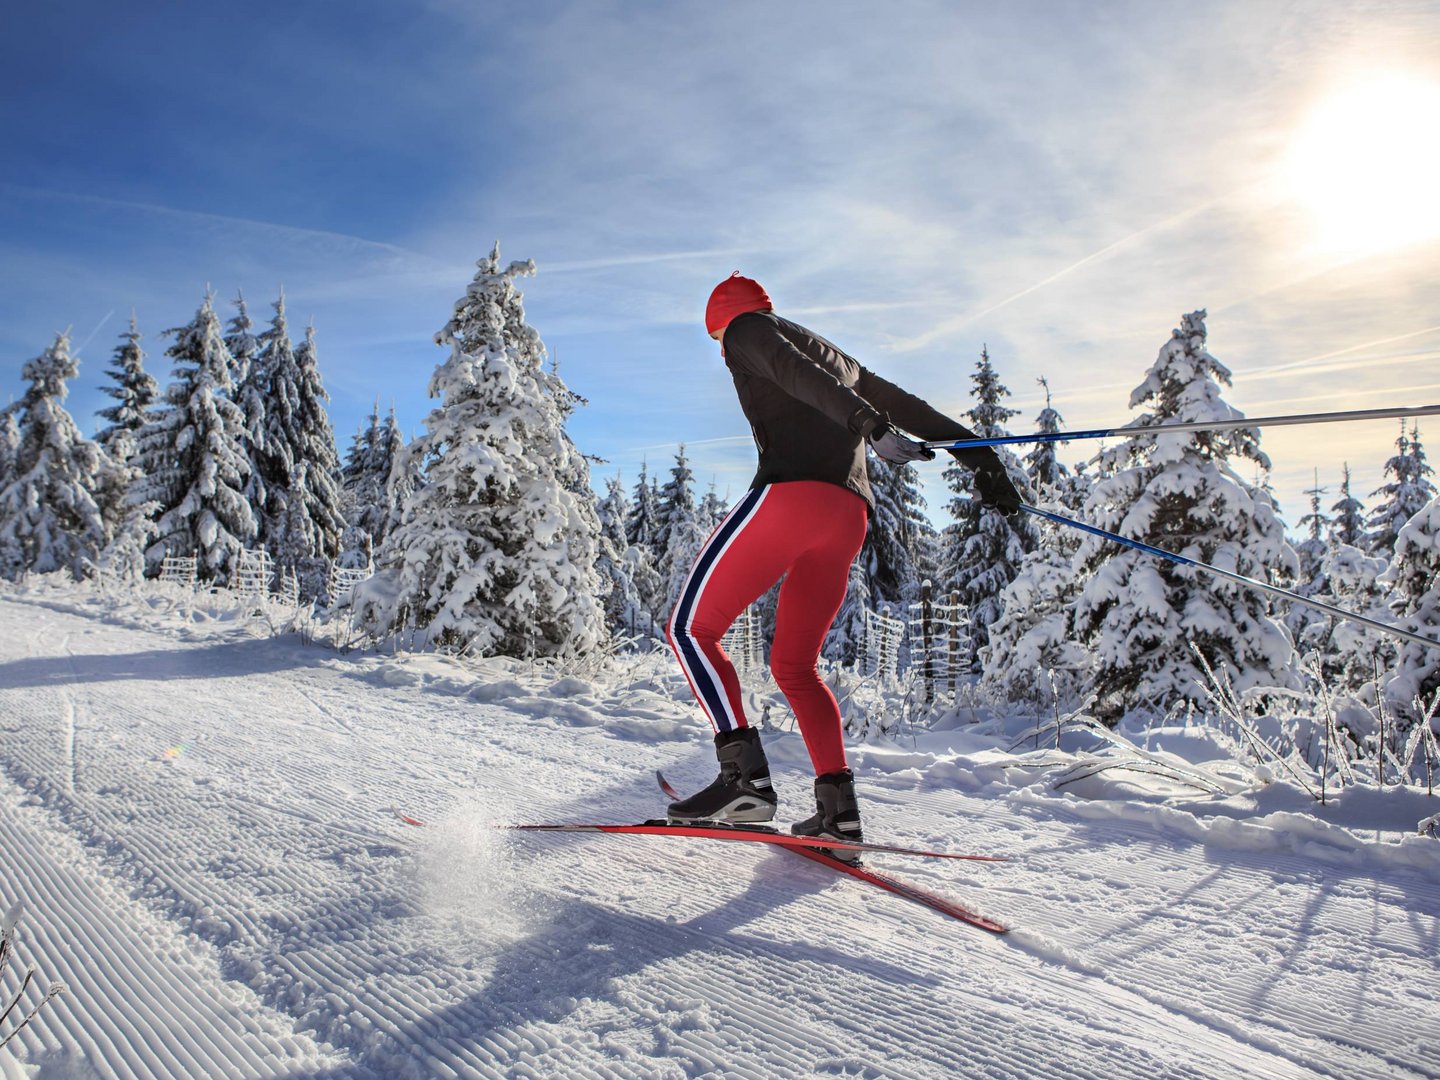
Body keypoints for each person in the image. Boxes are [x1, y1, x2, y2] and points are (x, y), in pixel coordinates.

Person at [664, 272, 1023, 858]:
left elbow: (793, 373)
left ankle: (743, 781)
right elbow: (907, 406)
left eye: (717, 341)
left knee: (690, 630)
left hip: (791, 498)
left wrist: (870, 426)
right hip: (847, 517)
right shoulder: (838, 358)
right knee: (794, 667)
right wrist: (979, 456)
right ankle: (839, 814)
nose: (723, 352)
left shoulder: (747, 331)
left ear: (722, 323)